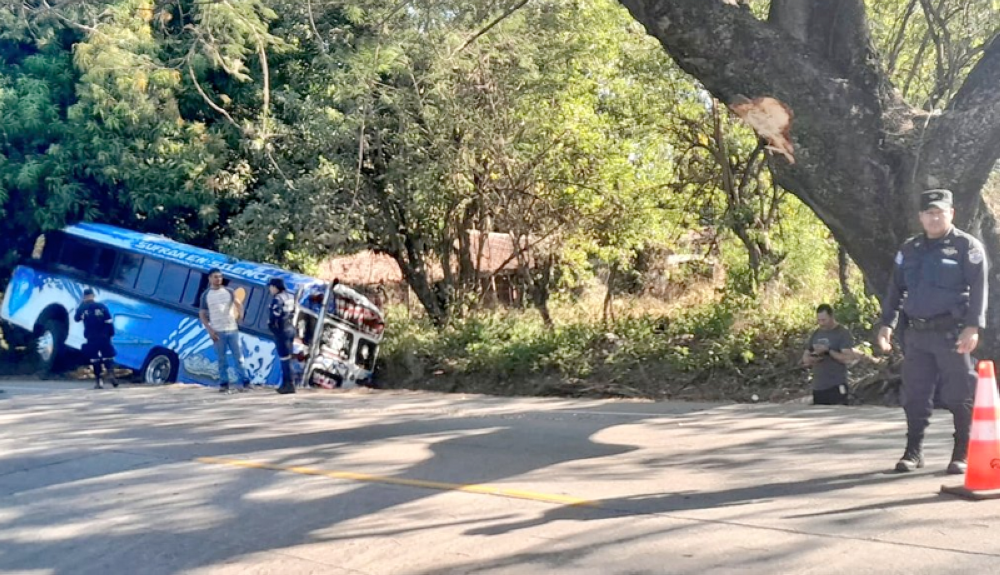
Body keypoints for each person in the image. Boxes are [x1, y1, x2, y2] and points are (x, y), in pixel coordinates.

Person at [877, 189, 988, 474]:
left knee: (959, 394)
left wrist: (973, 326)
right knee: (914, 395)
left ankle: (961, 452)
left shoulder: (967, 247)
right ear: (921, 217)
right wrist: (886, 324)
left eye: (940, 212)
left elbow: (979, 289)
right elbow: (895, 290)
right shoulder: (909, 249)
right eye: (929, 213)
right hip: (917, 336)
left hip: (953, 334)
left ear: (951, 213)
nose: (934, 218)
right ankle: (913, 452)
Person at [199, 268, 251, 393]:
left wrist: (241, 316)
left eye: (220, 277)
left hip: (232, 329)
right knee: (222, 359)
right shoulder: (206, 295)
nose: (218, 279)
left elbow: (239, 304)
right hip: (217, 331)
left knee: (238, 358)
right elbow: (202, 314)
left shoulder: (229, 291)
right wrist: (210, 330)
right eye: (216, 277)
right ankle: (224, 383)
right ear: (210, 278)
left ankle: (245, 382)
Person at [801, 304, 856, 405]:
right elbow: (805, 357)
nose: (821, 323)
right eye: (819, 320)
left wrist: (828, 351)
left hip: (836, 386)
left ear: (832, 317)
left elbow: (848, 358)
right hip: (819, 387)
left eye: (824, 320)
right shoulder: (816, 333)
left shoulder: (842, 333)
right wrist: (813, 358)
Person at [74, 288, 117, 389]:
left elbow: (76, 318)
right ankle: (111, 375)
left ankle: (99, 381)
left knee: (95, 359)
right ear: (93, 296)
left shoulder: (83, 308)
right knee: (108, 357)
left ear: (84, 297)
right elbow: (109, 321)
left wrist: (81, 305)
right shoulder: (101, 306)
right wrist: (111, 334)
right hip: (104, 336)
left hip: (91, 336)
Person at [268, 277, 297, 395]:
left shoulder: (277, 299)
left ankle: (288, 385)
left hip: (282, 330)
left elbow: (274, 316)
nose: (270, 289)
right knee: (288, 358)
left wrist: (272, 328)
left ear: (275, 287)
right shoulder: (290, 296)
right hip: (290, 328)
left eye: (270, 287)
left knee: (284, 359)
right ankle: (286, 384)